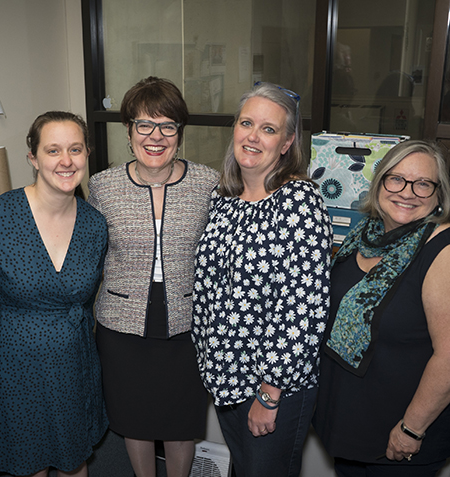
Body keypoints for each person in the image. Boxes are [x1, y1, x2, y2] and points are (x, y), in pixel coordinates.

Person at [313, 140, 450, 476]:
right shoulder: (365, 233)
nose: (408, 192)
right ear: (380, 183)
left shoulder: (449, 253)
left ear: (438, 195)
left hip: (401, 439)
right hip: (351, 428)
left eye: (423, 183)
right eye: (397, 179)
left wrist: (411, 429)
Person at [192, 81, 333, 477]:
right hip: (226, 378)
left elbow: (303, 309)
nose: (253, 136)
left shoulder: (299, 203)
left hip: (273, 386)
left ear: (287, 143)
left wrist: (270, 394)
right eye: (246, 123)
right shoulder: (224, 199)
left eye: (268, 129)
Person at [88, 76, 219, 477]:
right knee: (135, 421)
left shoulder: (208, 183)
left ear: (180, 133)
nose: (155, 136)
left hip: (187, 327)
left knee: (182, 424)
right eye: (144, 125)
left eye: (167, 126)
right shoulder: (102, 186)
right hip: (122, 329)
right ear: (129, 132)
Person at [0, 111, 108, 477]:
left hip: (72, 365)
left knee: (73, 461)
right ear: (33, 158)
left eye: (75, 149)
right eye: (53, 150)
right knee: (28, 465)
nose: (66, 161)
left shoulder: (94, 225)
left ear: (86, 154)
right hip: (14, 369)